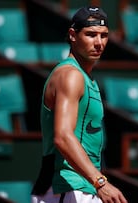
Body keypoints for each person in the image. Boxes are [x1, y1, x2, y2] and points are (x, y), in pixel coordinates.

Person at [31, 5, 128, 203]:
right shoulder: (70, 75)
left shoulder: (85, 78)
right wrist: (100, 182)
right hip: (66, 187)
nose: (99, 43)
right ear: (73, 35)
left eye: (104, 35)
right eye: (91, 35)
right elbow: (63, 137)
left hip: (82, 186)